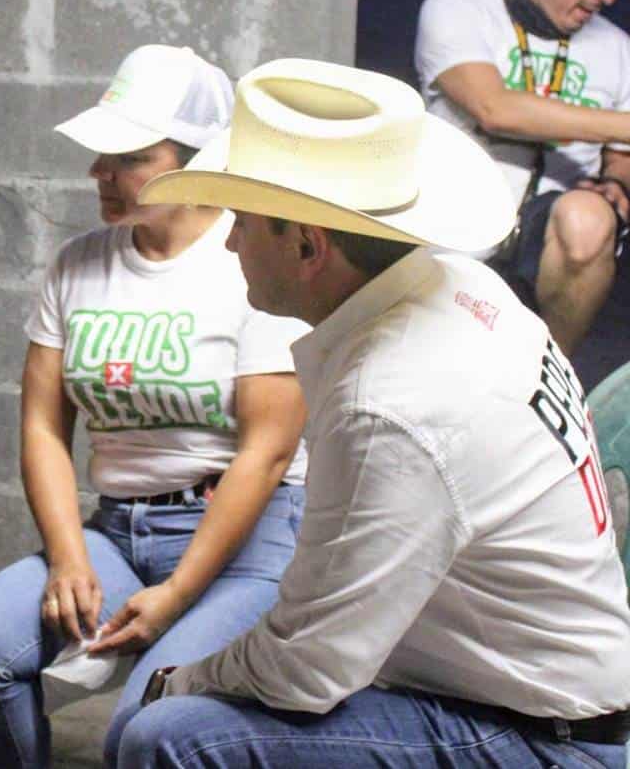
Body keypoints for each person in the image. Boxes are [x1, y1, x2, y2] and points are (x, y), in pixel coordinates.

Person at [118, 58, 630, 768]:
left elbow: (306, 673)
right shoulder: (462, 284)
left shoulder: (390, 399)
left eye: (241, 223)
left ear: (306, 246)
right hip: (534, 691)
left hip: (538, 738)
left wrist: (184, 681)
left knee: (166, 736)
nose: (229, 242)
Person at [0, 45, 310, 769]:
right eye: (102, 154)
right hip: (120, 531)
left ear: (198, 161)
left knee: (143, 724)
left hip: (246, 542)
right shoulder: (79, 263)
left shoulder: (249, 259)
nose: (99, 173)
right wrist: (70, 557)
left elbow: (267, 452)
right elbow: (44, 426)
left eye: (128, 156)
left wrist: (176, 596)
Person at [415, 0, 630, 355]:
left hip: (546, 230)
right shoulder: (456, 8)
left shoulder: (618, 46)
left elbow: (622, 157)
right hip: (452, 218)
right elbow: (494, 107)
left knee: (590, 218)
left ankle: (548, 378)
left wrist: (618, 183)